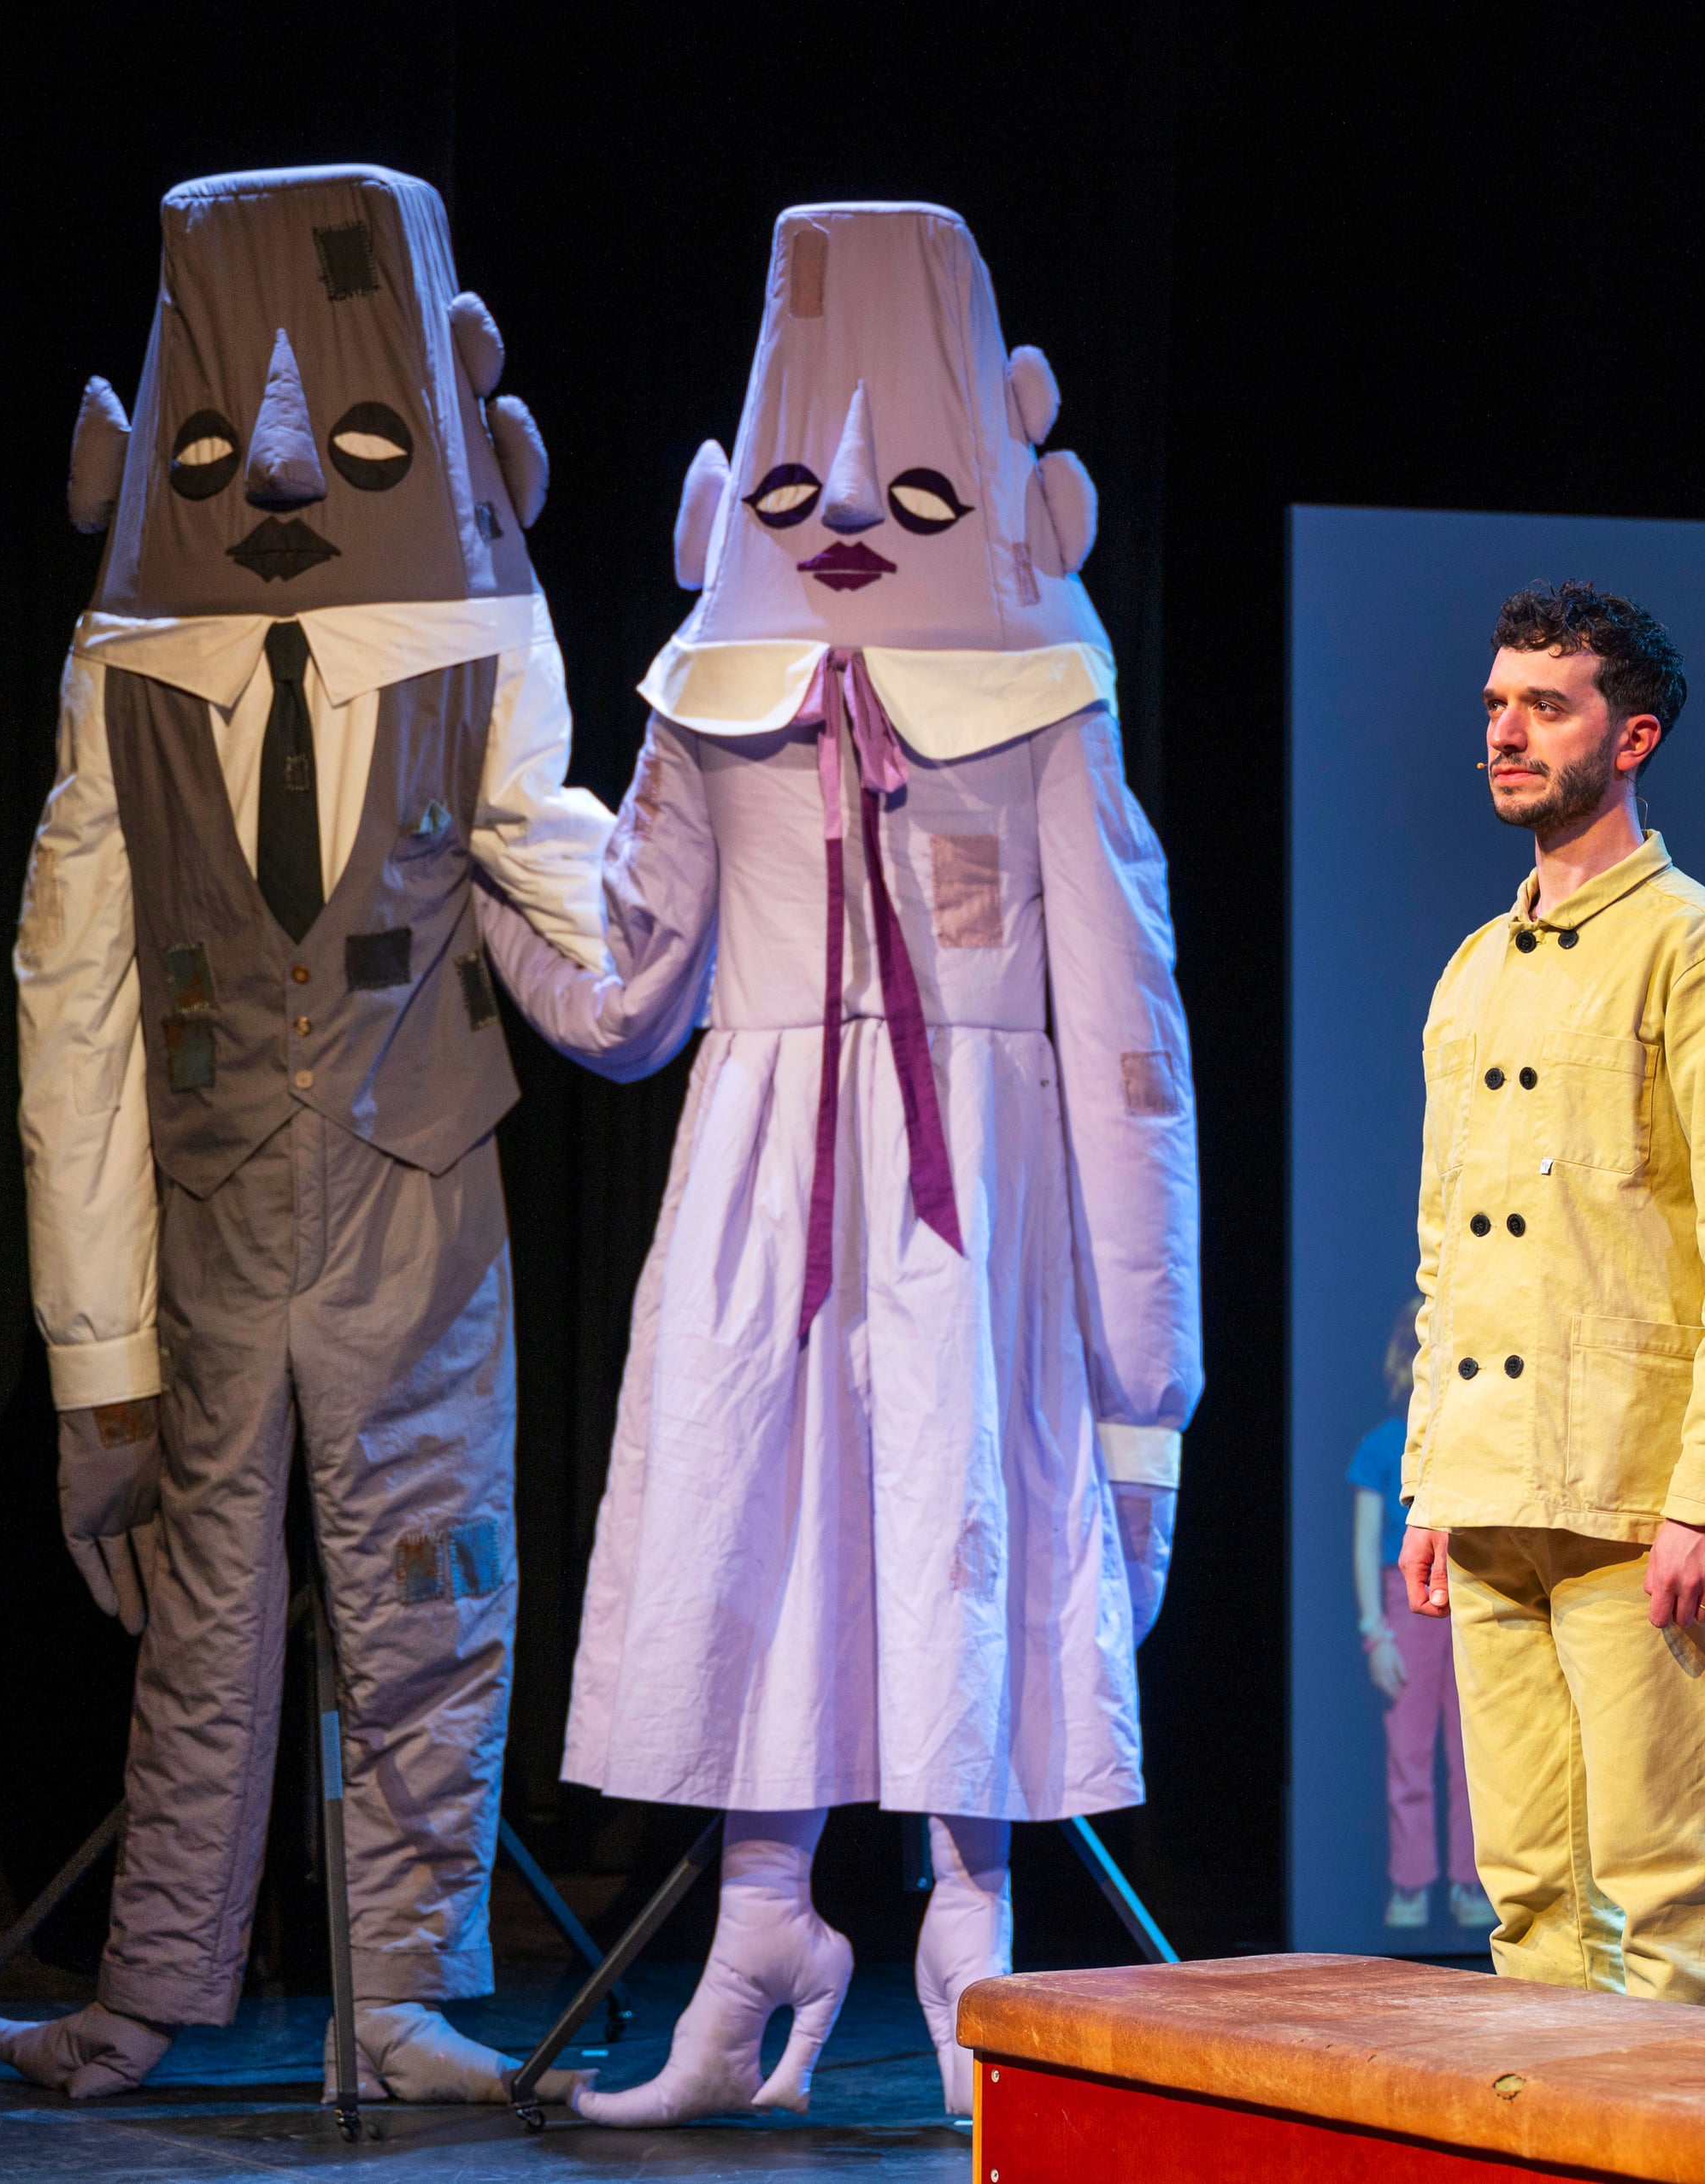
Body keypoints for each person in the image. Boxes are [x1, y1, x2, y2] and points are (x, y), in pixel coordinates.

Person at [481, 203, 1197, 2123]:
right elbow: (633, 984)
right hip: (765, 1161)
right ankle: (761, 1928)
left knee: (959, 1519)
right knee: (757, 1513)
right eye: (804, 474)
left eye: (912, 474)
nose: (858, 503)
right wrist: (496, 838)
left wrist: (1145, 1383)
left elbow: (1129, 1039)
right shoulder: (710, 696)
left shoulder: (1043, 687)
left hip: (981, 1177)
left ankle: (976, 1929)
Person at [0, 166, 606, 2106]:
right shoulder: (128, 671)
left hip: (421, 1202)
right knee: (196, 1616)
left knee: (435, 1580)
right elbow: (66, 1005)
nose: (292, 486)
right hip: (218, 1215)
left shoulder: (472, 639)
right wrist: (96, 1365)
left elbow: (569, 890)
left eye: (353, 439)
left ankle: (401, 1991)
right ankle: (151, 1988)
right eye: (236, 444)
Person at [1396, 580, 1705, 2012]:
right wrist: (1430, 1486)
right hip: (1493, 1490)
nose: (1506, 733)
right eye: (1497, 705)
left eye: (1545, 706)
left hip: (1637, 1498)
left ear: (1630, 737)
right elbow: (1450, 1253)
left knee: (1673, 1898)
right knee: (1528, 1908)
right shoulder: (1470, 973)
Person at [1350, 1298, 1489, 1934]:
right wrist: (1374, 1632)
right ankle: (1410, 1882)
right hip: (1403, 1603)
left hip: (1464, 1594)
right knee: (1409, 1753)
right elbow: (1364, 1542)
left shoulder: (1466, 1444)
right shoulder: (1381, 1446)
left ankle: (1470, 1881)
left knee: (1473, 1756)